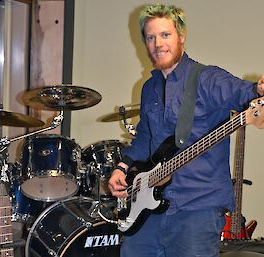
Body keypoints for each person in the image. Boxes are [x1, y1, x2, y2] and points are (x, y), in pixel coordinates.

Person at [108, 4, 264, 257]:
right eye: (151, 37)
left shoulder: (208, 78)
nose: (158, 43)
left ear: (181, 37)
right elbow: (145, 139)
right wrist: (122, 167)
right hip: (149, 212)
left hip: (197, 208)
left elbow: (242, 93)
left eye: (165, 35)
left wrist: (257, 92)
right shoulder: (149, 88)